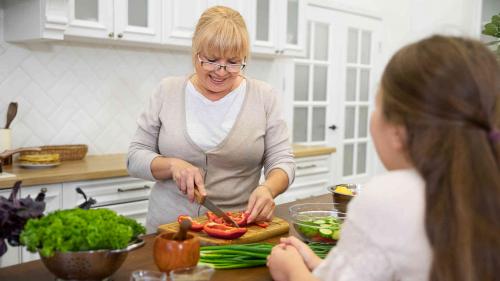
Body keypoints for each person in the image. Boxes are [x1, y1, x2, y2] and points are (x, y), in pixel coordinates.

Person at [267, 35, 500, 281]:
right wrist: (318, 263)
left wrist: (291, 270)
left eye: (377, 105)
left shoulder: (391, 196)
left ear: (399, 132)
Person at [127, 6, 295, 233]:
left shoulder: (264, 97)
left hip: (236, 232)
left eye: (234, 62)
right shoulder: (167, 91)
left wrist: (268, 189)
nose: (221, 71)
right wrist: (172, 165)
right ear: (196, 52)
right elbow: (135, 158)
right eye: (212, 60)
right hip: (169, 232)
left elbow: (283, 162)